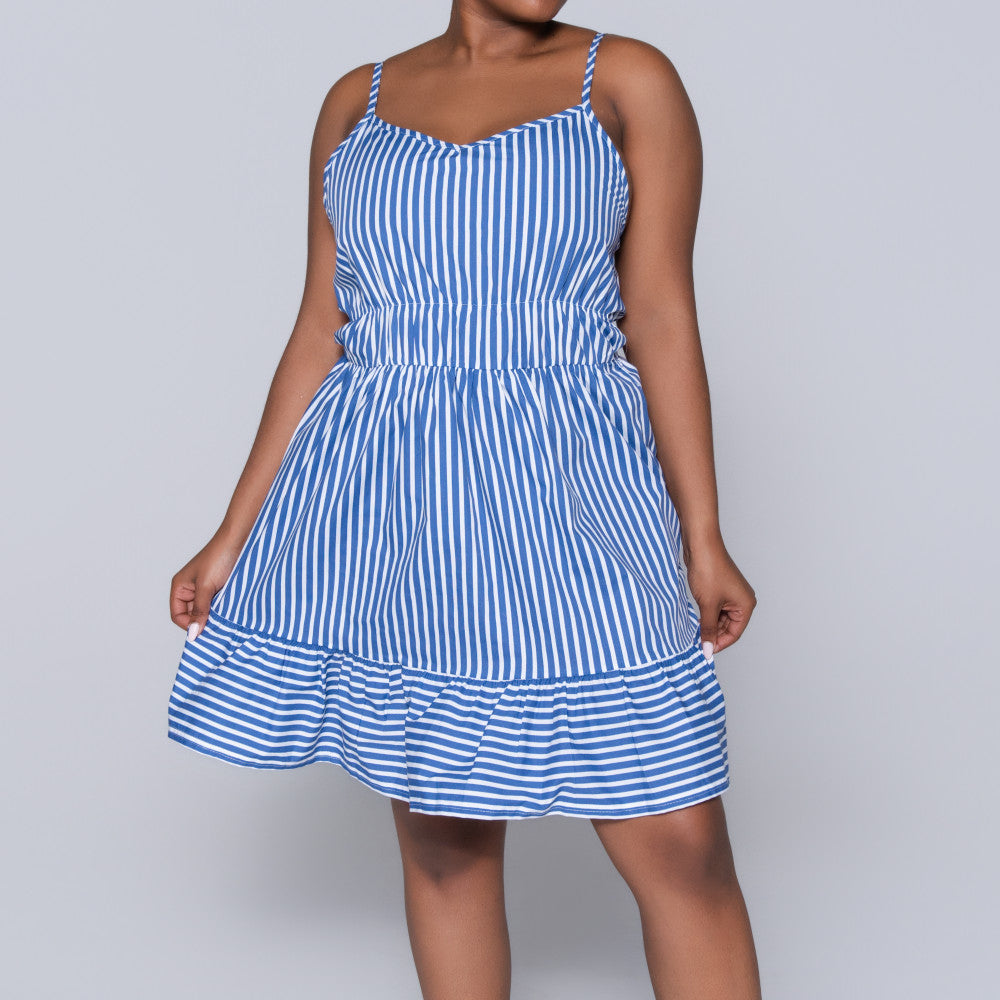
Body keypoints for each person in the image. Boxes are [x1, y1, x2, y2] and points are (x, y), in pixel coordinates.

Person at [167, 5, 760, 998]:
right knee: (445, 837)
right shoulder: (356, 102)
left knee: (677, 837)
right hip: (393, 494)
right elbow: (321, 328)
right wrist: (233, 535)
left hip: (570, 484)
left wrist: (703, 536)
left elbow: (659, 310)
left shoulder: (625, 80)